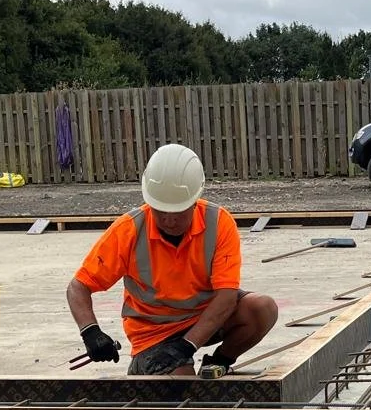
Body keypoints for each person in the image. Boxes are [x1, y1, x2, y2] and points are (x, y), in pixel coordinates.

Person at [67, 144, 278, 376]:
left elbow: (226, 297)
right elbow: (78, 287)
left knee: (262, 309)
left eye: (178, 213)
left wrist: (188, 345)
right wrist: (91, 332)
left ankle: (218, 362)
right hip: (154, 333)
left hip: (206, 318)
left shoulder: (218, 223)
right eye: (160, 211)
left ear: (194, 201)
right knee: (181, 391)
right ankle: (151, 368)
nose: (169, 220)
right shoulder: (129, 230)